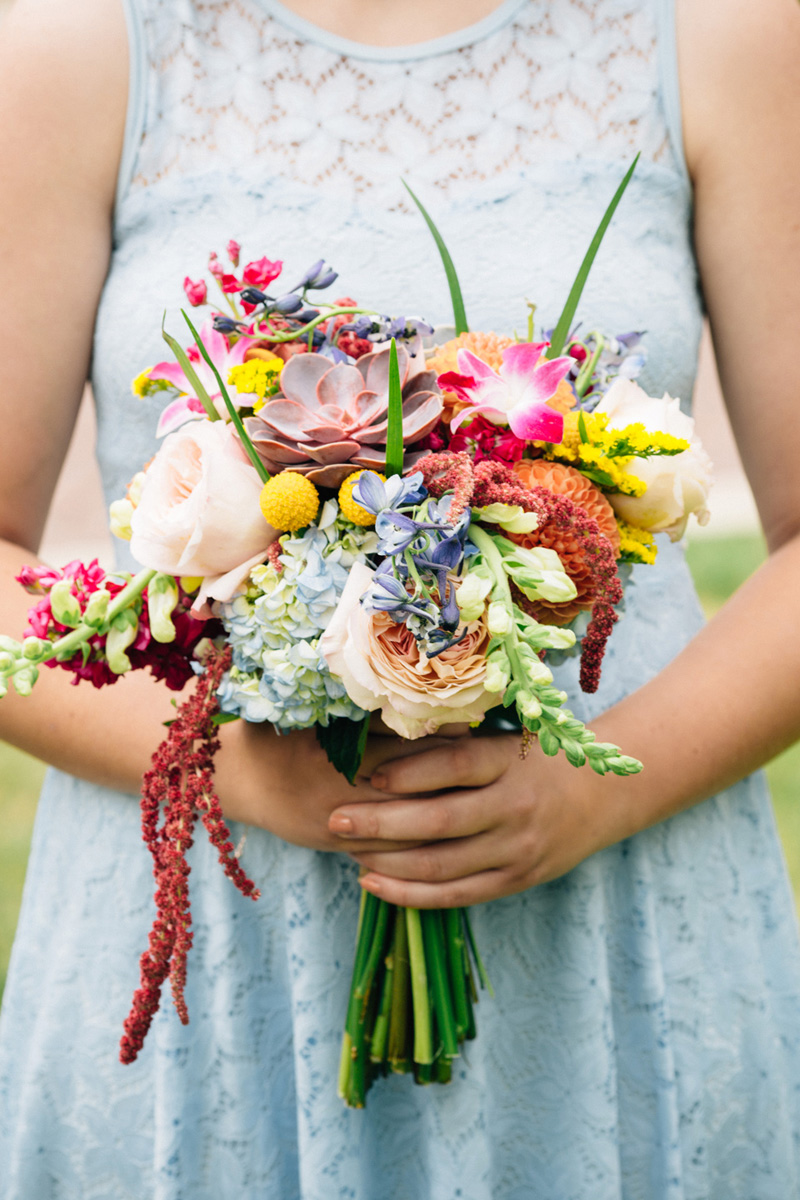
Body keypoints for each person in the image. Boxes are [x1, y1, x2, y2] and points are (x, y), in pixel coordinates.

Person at [0, 0, 799, 1194]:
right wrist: (234, 768)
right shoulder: (78, 44)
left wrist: (591, 791)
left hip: (612, 894)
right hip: (216, 923)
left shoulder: (719, 31)